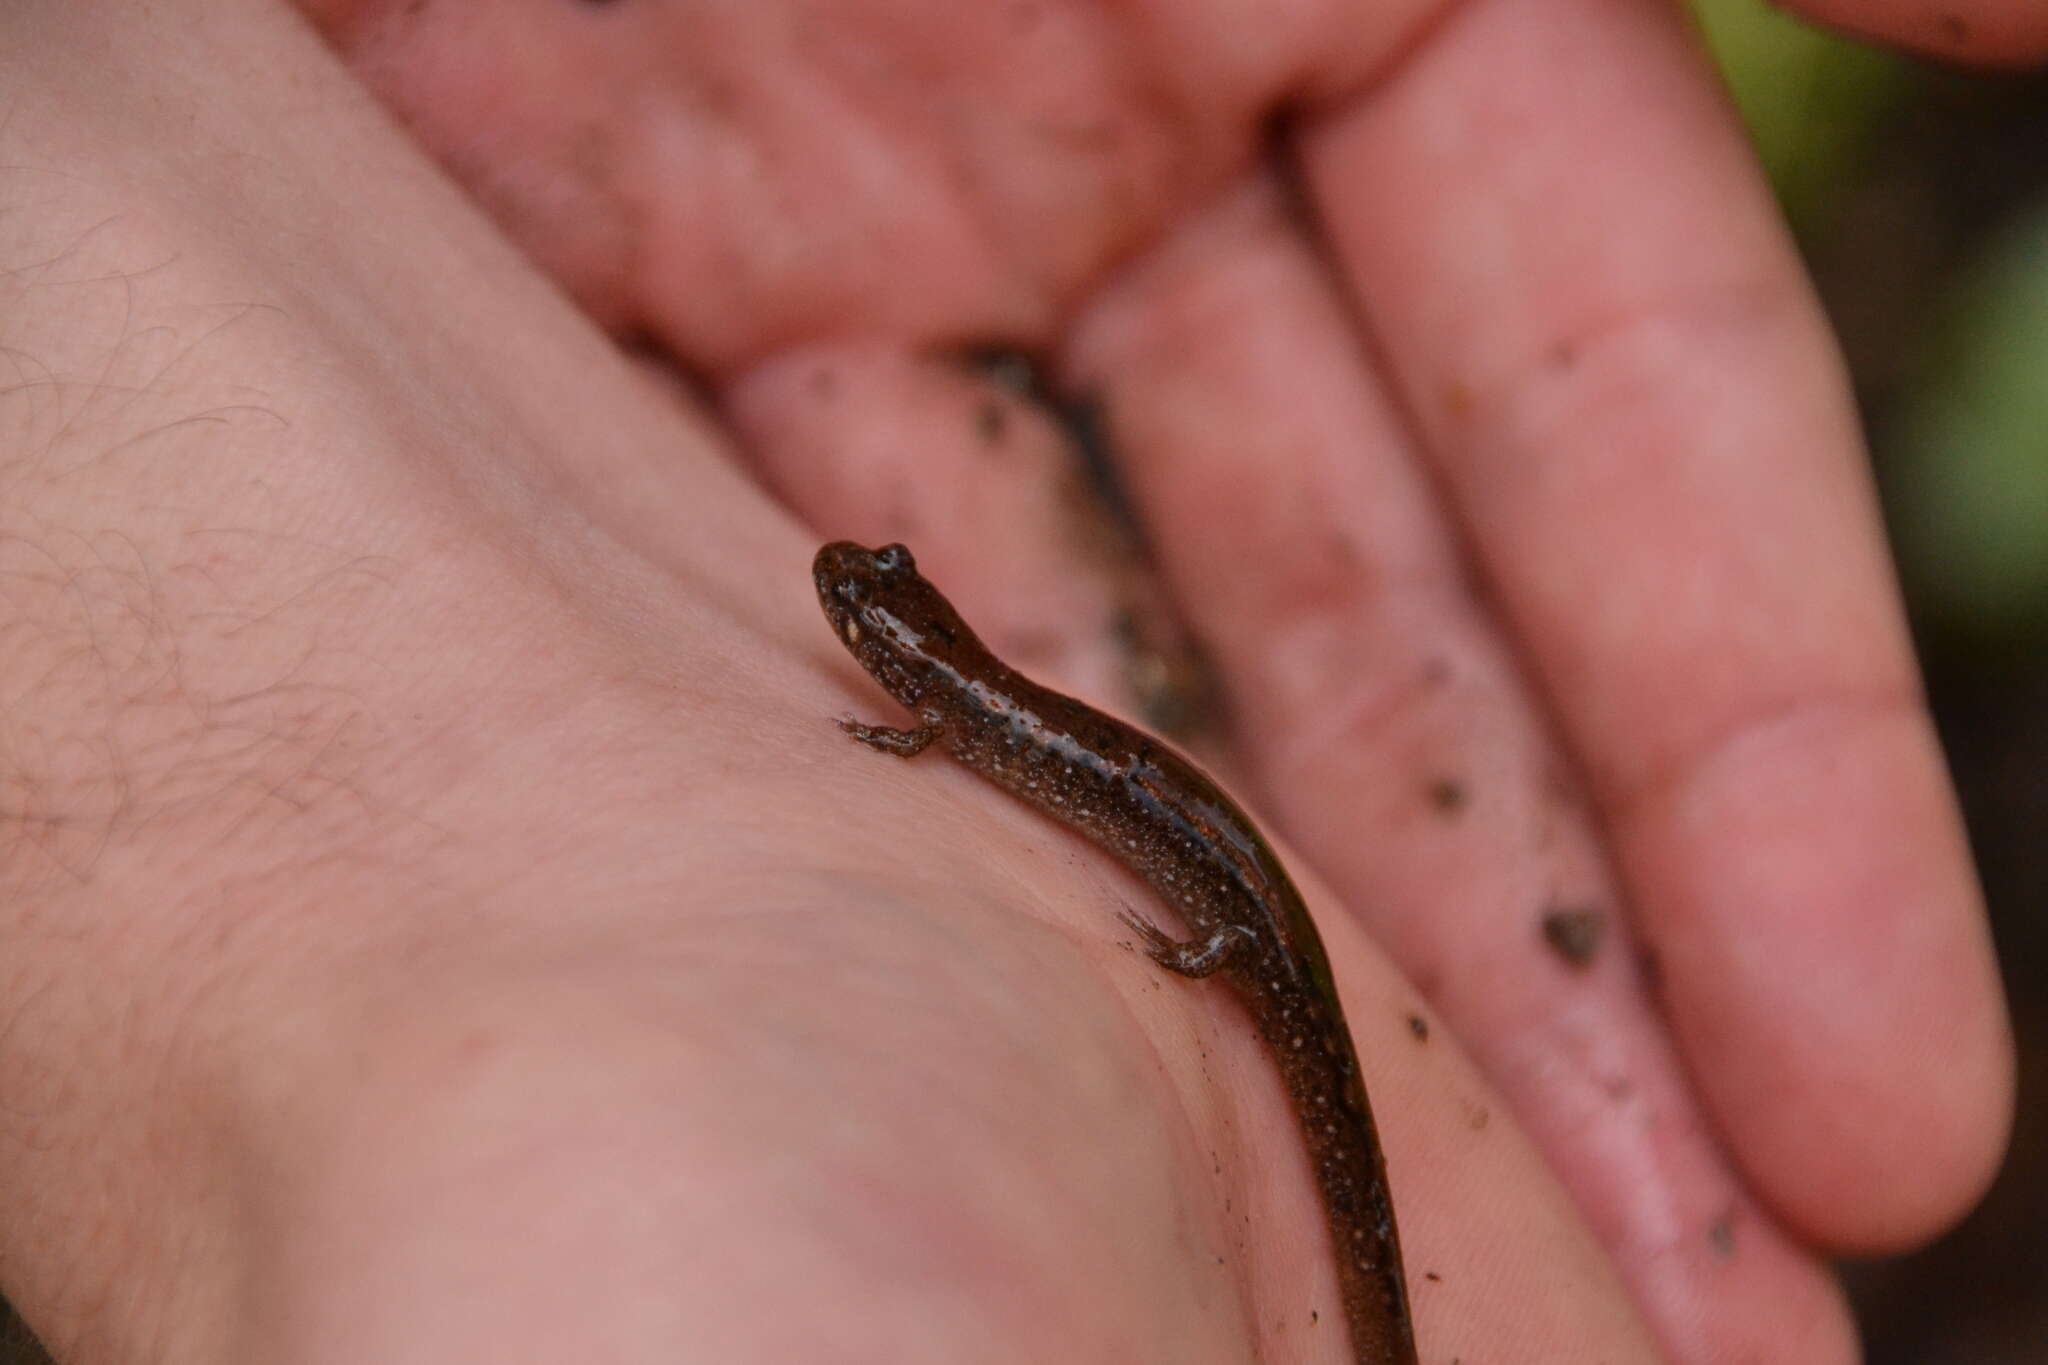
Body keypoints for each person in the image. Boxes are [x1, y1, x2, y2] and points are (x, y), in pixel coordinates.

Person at [0, 1, 2030, 1360]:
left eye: (882, 612)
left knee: (1278, 1003)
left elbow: (1160, 874)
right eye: (877, 619)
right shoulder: (952, 706)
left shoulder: (958, 707)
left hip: (1238, 913)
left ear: (912, 648)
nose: (867, 611)